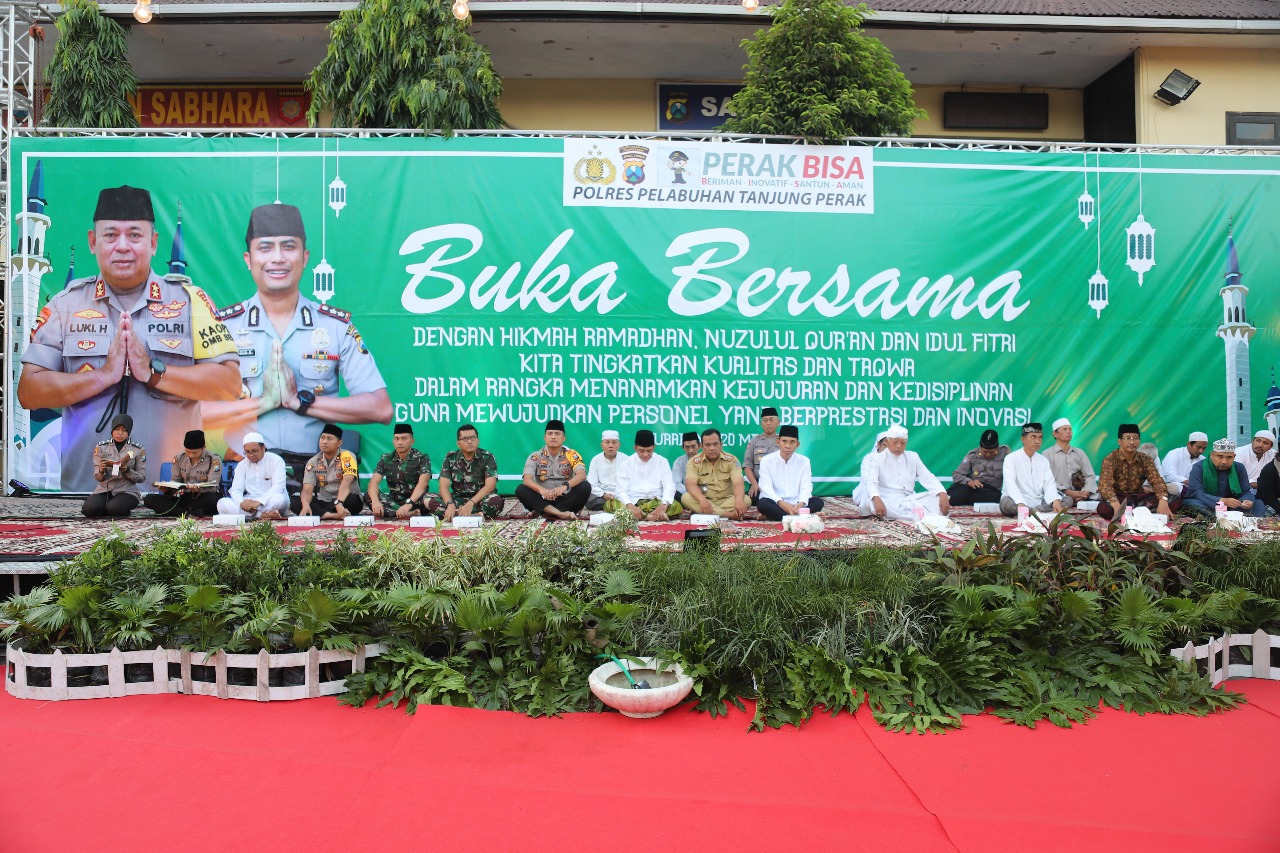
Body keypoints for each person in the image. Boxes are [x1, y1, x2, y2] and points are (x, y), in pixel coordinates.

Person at [19, 185, 240, 492]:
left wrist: (153, 372)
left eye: (135, 235)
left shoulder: (191, 302)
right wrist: (103, 376)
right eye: (110, 235)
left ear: (153, 242)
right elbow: (30, 391)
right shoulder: (64, 305)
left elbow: (229, 383)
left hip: (173, 498)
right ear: (93, 242)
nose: (122, 246)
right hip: (84, 497)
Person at [202, 202, 391, 461]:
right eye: (265, 247)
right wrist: (262, 403)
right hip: (242, 469)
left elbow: (381, 408)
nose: (278, 258)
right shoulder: (222, 327)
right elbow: (188, 411)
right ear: (249, 259)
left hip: (316, 470)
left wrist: (299, 402)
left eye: (288, 246)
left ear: (304, 258)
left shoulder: (335, 326)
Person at [856, 424, 950, 520]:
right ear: (887, 442)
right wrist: (877, 499)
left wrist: (942, 493)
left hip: (908, 500)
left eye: (903, 443)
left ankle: (908, 515)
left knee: (937, 499)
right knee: (871, 503)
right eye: (895, 442)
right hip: (885, 500)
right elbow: (871, 482)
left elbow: (927, 477)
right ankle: (917, 515)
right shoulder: (876, 458)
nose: (899, 446)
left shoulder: (913, 457)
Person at [515, 419, 590, 520]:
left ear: (563, 438)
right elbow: (527, 480)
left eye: (557, 434)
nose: (553, 436)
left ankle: (544, 512)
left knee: (585, 486)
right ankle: (560, 514)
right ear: (545, 438)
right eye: (550, 434)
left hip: (566, 498)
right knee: (521, 489)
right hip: (543, 499)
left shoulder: (571, 454)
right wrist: (542, 490)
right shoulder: (535, 456)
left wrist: (564, 487)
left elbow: (581, 475)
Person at [1097, 423, 1171, 521]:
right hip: (1119, 498)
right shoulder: (1110, 460)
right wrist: (1117, 508)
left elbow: (1157, 481)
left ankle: (1135, 510)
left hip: (1138, 497)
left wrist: (1163, 500)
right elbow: (1105, 486)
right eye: (1128, 438)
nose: (1132, 442)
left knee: (1174, 500)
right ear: (1119, 441)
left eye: (1135, 438)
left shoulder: (1145, 459)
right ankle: (1140, 511)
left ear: (1139, 441)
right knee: (1103, 509)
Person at [431, 424, 505, 520]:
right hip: (458, 500)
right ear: (458, 443)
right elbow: (443, 487)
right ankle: (473, 516)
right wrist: (450, 504)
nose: (470, 441)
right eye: (465, 439)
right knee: (428, 498)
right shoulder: (450, 458)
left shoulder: (487, 457)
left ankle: (457, 515)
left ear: (478, 441)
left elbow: (490, 486)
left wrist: (471, 503)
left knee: (496, 500)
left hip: (480, 500)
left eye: (473, 438)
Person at [142, 429, 221, 517]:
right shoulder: (179, 458)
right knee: (149, 500)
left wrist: (198, 489)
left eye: (195, 452)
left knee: (212, 500)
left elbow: (213, 486)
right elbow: (175, 481)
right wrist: (167, 488)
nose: (191, 455)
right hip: (184, 496)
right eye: (188, 451)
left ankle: (181, 511)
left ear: (203, 448)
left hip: (202, 496)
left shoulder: (213, 460)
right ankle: (190, 512)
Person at [294, 423, 364, 519]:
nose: (324, 442)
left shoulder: (347, 456)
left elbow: (347, 481)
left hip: (345, 500)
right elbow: (307, 489)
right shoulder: (313, 461)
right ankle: (332, 515)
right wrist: (305, 505)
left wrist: (338, 502)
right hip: (326, 501)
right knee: (296, 502)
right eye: (322, 438)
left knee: (351, 500)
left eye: (329, 439)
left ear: (339, 443)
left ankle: (321, 514)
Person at [82, 414, 146, 517]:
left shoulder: (137, 449)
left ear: (129, 432)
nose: (120, 433)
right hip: (104, 489)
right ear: (112, 430)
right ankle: (107, 506)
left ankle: (114, 508)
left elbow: (141, 478)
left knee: (114, 509)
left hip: (127, 491)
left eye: (124, 430)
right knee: (89, 510)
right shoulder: (101, 447)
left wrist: (127, 470)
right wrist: (101, 471)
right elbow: (98, 478)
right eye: (117, 429)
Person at [756, 425, 824, 521]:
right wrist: (782, 504)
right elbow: (766, 488)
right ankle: (805, 516)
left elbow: (806, 486)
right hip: (776, 503)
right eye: (784, 441)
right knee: (762, 504)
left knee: (818, 502)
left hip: (796, 503)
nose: (787, 446)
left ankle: (782, 516)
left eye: (792, 442)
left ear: (797, 444)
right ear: (778, 442)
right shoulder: (767, 460)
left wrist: (801, 503)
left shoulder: (804, 461)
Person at [216, 431, 289, 519]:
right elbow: (236, 490)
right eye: (247, 452)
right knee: (222, 503)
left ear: (263, 448)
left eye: (254, 451)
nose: (251, 455)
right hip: (249, 503)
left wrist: (259, 502)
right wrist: (241, 503)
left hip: (268, 501)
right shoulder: (242, 465)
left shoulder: (276, 461)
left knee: (280, 500)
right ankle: (262, 516)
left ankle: (251, 515)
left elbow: (278, 487)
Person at [681, 428, 751, 519]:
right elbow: (690, 484)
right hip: (706, 500)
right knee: (685, 498)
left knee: (746, 500)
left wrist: (738, 500)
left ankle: (709, 513)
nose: (712, 448)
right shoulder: (693, 462)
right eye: (707, 445)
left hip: (727, 500)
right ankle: (728, 515)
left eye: (715, 444)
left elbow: (738, 483)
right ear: (701, 446)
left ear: (721, 444)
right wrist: (702, 500)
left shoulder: (732, 460)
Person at [999, 423, 1065, 518]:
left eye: (1040, 438)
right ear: (1023, 439)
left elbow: (1049, 483)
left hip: (1039, 501)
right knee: (1006, 505)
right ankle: (1033, 512)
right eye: (1033, 437)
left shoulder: (1043, 460)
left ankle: (1031, 512)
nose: (1037, 441)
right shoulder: (1011, 458)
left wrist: (1055, 500)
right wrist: (1020, 502)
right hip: (1016, 500)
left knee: (1066, 500)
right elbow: (1010, 484)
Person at [367, 423, 431, 520]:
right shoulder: (386, 458)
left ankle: (396, 512)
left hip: (415, 501)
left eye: (404, 438)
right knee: (369, 496)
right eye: (397, 439)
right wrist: (375, 501)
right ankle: (407, 514)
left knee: (430, 500)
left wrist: (409, 504)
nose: (400, 442)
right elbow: (374, 481)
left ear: (412, 441)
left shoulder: (422, 458)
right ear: (393, 441)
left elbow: (423, 483)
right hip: (394, 501)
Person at [1183, 438, 1259, 517]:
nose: (1224, 461)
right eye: (1220, 456)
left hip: (1232, 505)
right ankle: (1219, 517)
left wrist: (1245, 501)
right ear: (1212, 455)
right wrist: (1220, 500)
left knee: (1258, 503)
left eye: (1229, 457)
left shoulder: (1239, 467)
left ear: (1234, 457)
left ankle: (1222, 516)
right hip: (1208, 504)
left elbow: (1246, 491)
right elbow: (1196, 492)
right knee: (1191, 503)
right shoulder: (1199, 467)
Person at [616, 429, 676, 521]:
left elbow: (669, 486)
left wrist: (663, 505)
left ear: (654, 447)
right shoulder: (626, 464)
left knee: (676, 505)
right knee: (611, 504)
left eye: (649, 451)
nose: (645, 454)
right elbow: (621, 491)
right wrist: (630, 506)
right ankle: (653, 516)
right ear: (635, 448)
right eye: (641, 451)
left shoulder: (662, 462)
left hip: (656, 502)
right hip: (634, 502)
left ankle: (643, 516)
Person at [1043, 418, 1098, 508]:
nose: (1069, 432)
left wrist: (1086, 492)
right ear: (1055, 434)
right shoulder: (1047, 454)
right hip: (1060, 494)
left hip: (1082, 494)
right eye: (1065, 429)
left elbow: (1090, 476)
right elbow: (1048, 480)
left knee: (1101, 496)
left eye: (1070, 429)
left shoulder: (1079, 453)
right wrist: (1068, 492)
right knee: (1063, 500)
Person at [946, 429, 1009, 506]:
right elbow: (957, 474)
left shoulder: (1005, 453)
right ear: (980, 447)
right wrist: (969, 482)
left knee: (997, 500)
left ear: (997, 448)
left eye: (992, 452)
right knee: (954, 497)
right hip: (973, 487)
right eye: (985, 452)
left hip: (991, 490)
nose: (988, 454)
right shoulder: (972, 455)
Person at [742, 407, 781, 499]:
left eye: (771, 420)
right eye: (765, 420)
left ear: (778, 422)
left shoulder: (784, 442)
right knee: (754, 498)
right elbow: (747, 466)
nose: (768, 423)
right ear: (761, 424)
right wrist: (754, 484)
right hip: (759, 485)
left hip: (779, 485)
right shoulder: (754, 442)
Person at [586, 429, 629, 512]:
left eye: (614, 442)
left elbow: (630, 482)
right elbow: (592, 483)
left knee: (633, 499)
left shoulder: (626, 460)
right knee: (587, 495)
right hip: (602, 496)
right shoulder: (596, 460)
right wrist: (603, 494)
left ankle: (614, 506)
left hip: (621, 494)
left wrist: (619, 495)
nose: (610, 445)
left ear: (618, 445)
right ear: (602, 445)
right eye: (607, 442)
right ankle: (616, 506)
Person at [1160, 432, 1209, 498]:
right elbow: (1168, 476)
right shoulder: (1174, 454)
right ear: (1189, 443)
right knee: (1174, 488)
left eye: (1204, 448)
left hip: (1194, 490)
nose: (1201, 451)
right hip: (1175, 489)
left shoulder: (1203, 460)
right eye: (1199, 447)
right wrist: (1188, 482)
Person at [851, 431, 888, 507]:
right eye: (885, 445)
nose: (887, 449)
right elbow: (868, 480)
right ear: (878, 444)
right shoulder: (869, 458)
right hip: (872, 489)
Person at [670, 431, 701, 507]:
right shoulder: (678, 462)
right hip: (687, 494)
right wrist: (692, 493)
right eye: (687, 447)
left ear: (699, 446)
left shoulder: (706, 460)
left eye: (693, 446)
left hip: (705, 493)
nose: (690, 450)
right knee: (673, 493)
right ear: (683, 448)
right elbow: (676, 483)